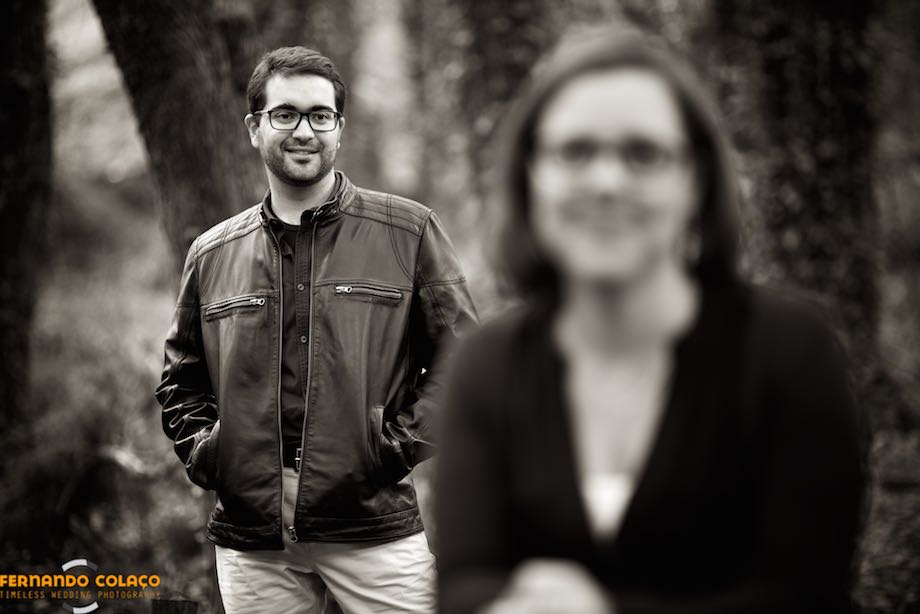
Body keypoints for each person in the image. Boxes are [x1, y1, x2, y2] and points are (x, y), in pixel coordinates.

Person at [435, 26, 865, 614]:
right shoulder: (486, 364)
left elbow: (803, 593)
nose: (608, 181)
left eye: (643, 153)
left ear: (695, 180)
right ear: (532, 174)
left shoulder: (789, 351)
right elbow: (463, 587)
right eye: (576, 151)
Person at [155, 46, 477, 614]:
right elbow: (182, 381)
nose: (304, 130)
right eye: (285, 114)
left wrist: (389, 450)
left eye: (319, 115)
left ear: (339, 128)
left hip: (373, 525)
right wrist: (213, 453)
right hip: (254, 542)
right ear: (255, 128)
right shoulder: (211, 254)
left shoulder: (408, 231)